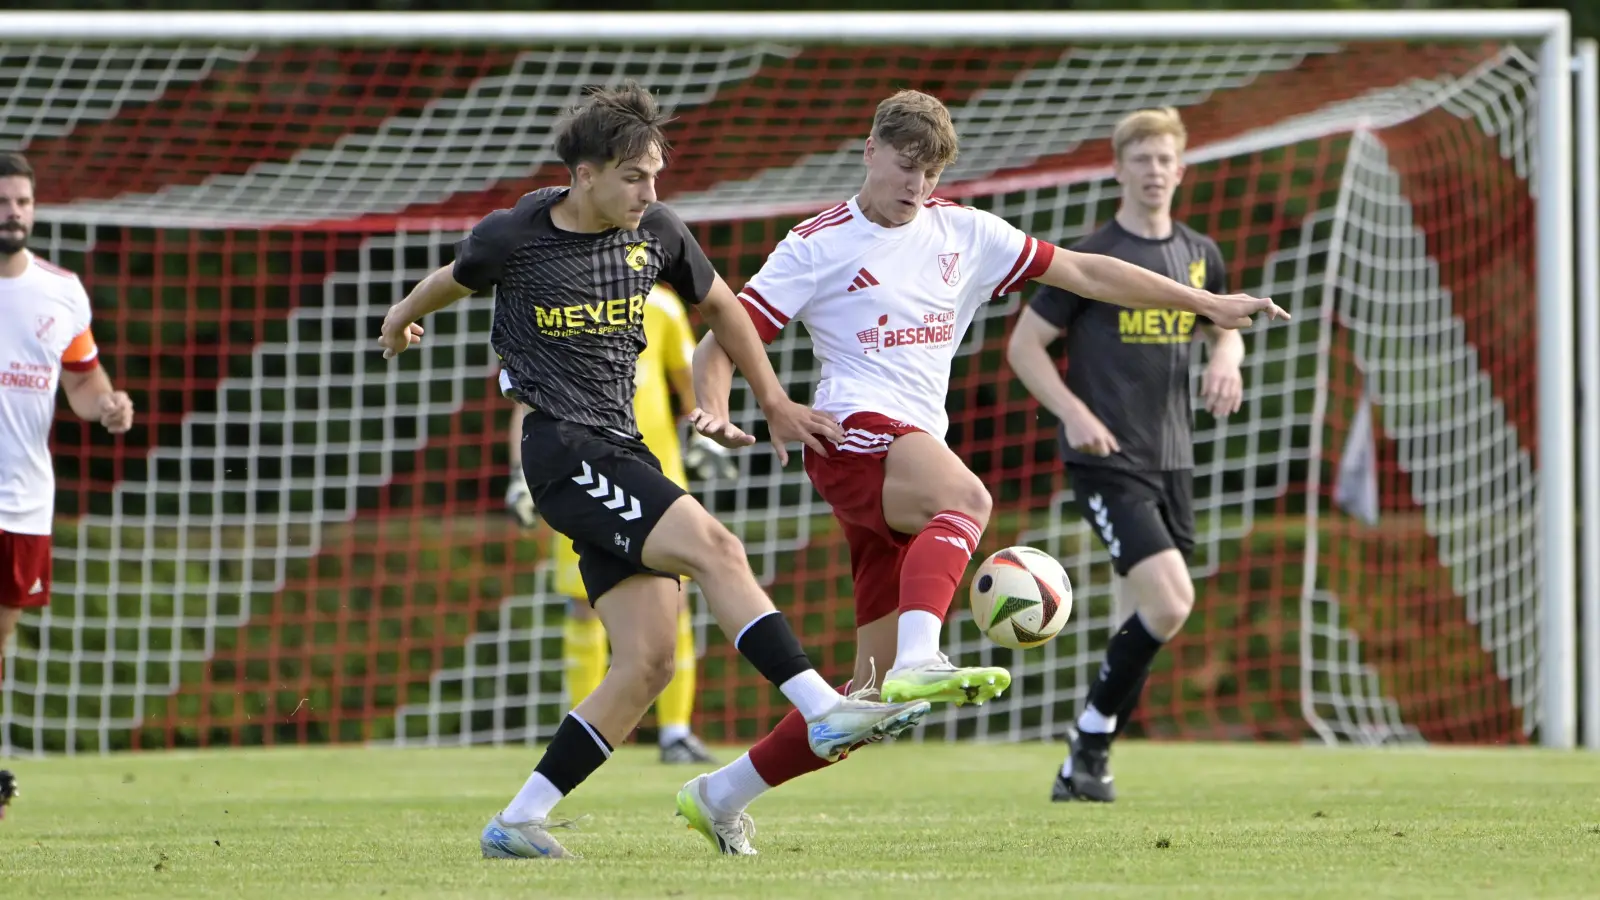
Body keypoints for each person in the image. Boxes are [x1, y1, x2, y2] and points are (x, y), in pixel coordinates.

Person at [681, 91, 1286, 853]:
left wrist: (1206, 303)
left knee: (869, 708)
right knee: (968, 496)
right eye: (906, 167)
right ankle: (922, 654)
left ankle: (719, 792)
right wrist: (717, 408)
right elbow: (719, 341)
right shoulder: (816, 243)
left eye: (931, 173)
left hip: (908, 447)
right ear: (870, 152)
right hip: (851, 435)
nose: (917, 187)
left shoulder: (965, 232)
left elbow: (1087, 274)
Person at [376, 81, 932, 861]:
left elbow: (725, 308)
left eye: (656, 175)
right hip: (565, 449)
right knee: (718, 549)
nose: (651, 191)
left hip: (621, 447)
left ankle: (517, 822)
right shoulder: (515, 235)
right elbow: (453, 276)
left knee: (646, 662)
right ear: (586, 174)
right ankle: (820, 706)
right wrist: (401, 319)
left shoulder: (660, 233)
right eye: (635, 176)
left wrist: (770, 399)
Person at [1007, 106, 1242, 804]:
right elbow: (1024, 348)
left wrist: (1228, 356)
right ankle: (1088, 744)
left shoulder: (1198, 255)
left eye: (1165, 159)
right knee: (1171, 603)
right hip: (1107, 461)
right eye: (1141, 159)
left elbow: (1226, 325)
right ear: (1118, 168)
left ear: (1181, 169)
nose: (1154, 171)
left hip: (1173, 463)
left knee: (1155, 613)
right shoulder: (1091, 258)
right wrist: (1074, 412)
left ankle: (1086, 760)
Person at [503, 282, 734, 765]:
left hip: (655, 473)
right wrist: (521, 478)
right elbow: (527, 403)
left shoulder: (663, 307)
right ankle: (584, 727)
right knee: (584, 604)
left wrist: (708, 430)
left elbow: (687, 378)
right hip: (579, 474)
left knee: (674, 600)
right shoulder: (554, 301)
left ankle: (674, 733)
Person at [0, 151, 135, 679]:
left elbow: (81, 377)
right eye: (2, 201)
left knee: (4, 628)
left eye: (22, 202)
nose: (13, 211)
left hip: (23, 495)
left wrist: (106, 404)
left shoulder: (61, 291)